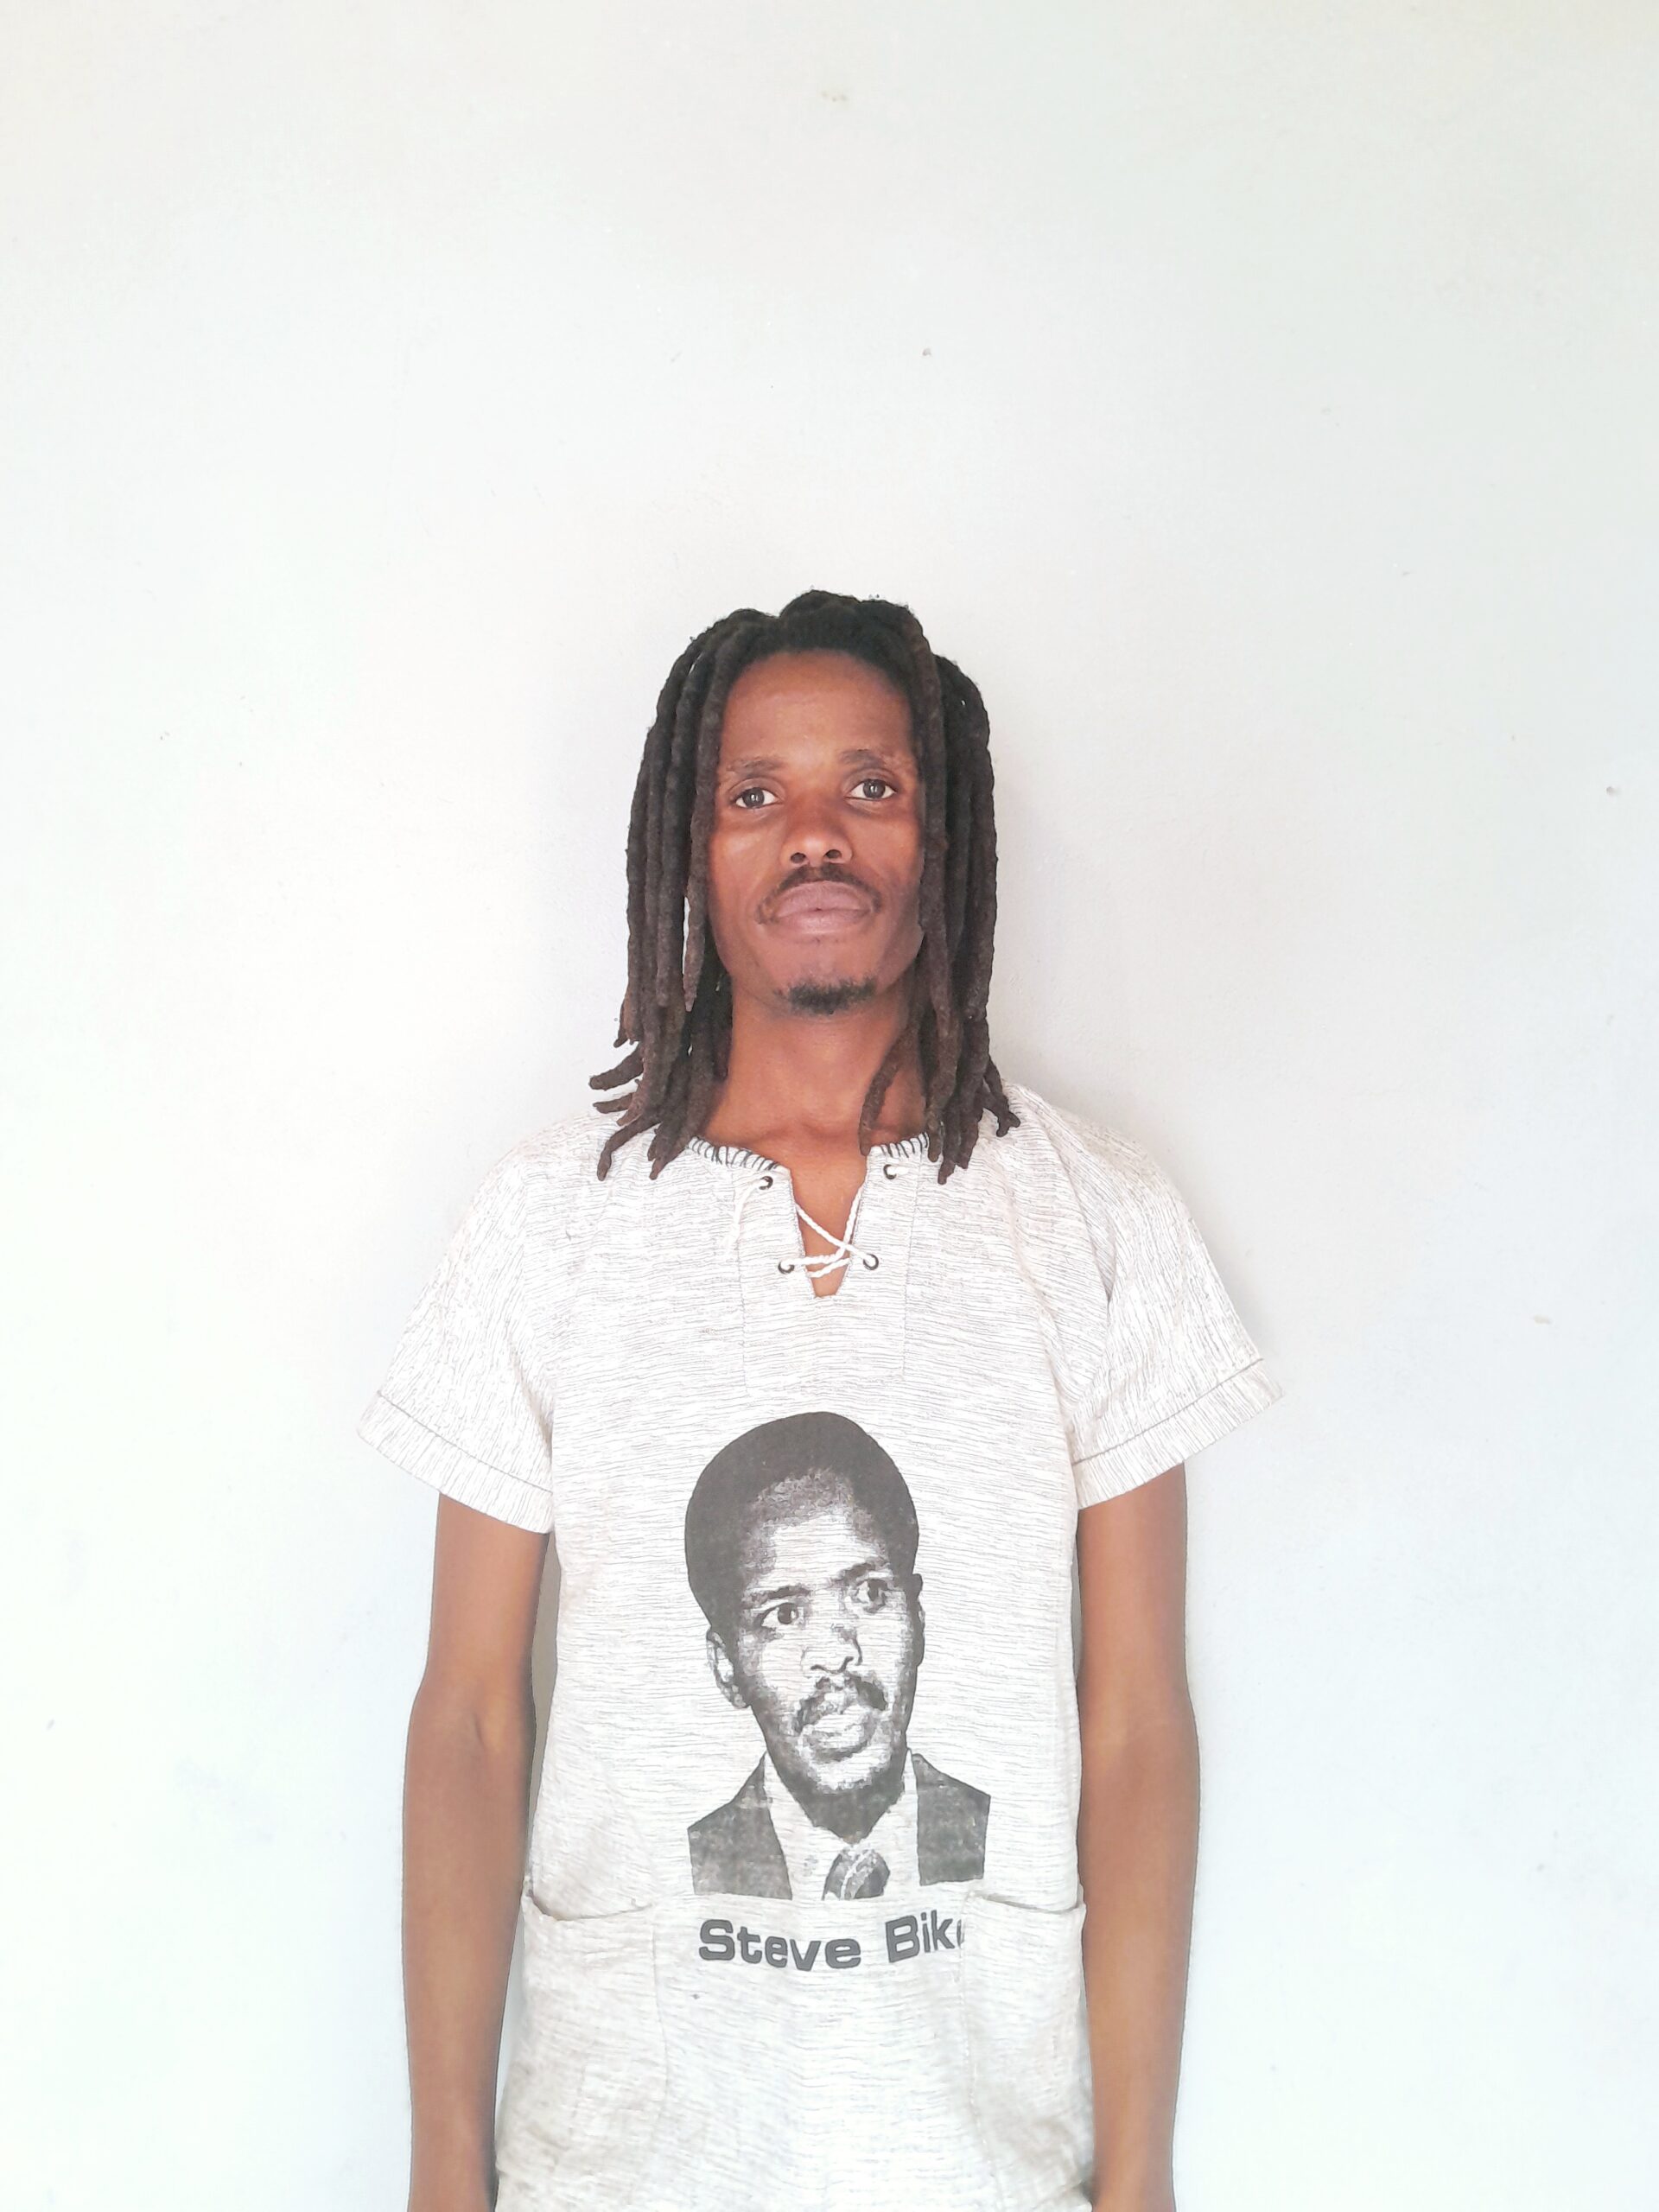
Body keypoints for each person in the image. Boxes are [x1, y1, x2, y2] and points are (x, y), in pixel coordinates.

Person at [359, 588, 1281, 2212]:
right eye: (753, 793)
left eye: (872, 785)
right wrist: (446, 2174)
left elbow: (1138, 1724)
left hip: (983, 2161)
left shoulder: (1098, 1222)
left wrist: (1136, 2181)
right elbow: (473, 1715)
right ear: (690, 849)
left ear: (946, 836)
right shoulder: (549, 1226)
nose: (815, 837)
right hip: (616, 2161)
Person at [683, 1408, 989, 1899]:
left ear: (917, 1620)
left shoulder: (993, 1833)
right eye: (784, 1616)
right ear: (727, 1669)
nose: (836, 1652)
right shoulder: (686, 1867)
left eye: (869, 1594)